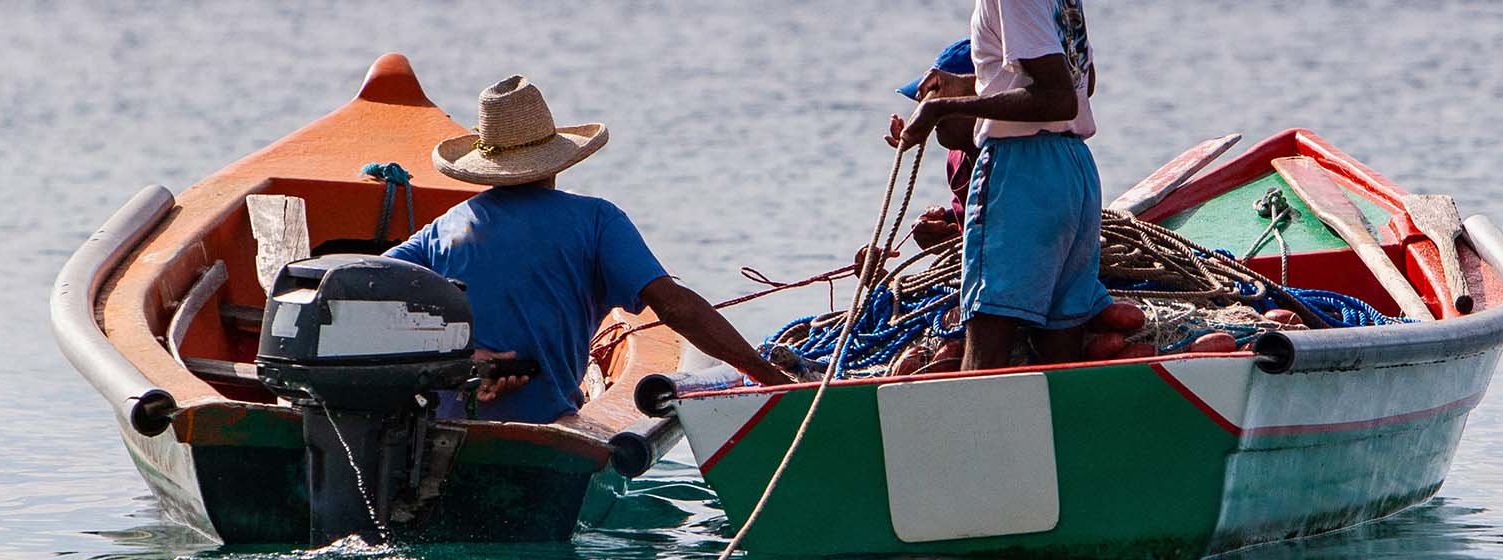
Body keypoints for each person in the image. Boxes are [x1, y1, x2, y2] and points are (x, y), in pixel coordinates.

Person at [386, 75, 791, 423]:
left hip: (442, 425)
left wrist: (467, 356)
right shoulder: (597, 221)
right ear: (557, 158)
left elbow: (365, 285)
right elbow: (675, 308)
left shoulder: (444, 227)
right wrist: (766, 374)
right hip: (546, 422)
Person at [891, 0, 1110, 371]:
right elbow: (1084, 83)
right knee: (1061, 345)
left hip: (1020, 168)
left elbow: (1058, 98)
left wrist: (938, 109)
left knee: (987, 342)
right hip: (1074, 168)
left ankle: (969, 428)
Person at [884, 39, 977, 250]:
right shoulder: (957, 156)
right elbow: (973, 215)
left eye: (938, 101)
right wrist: (945, 223)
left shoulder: (1012, 157)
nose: (928, 116)